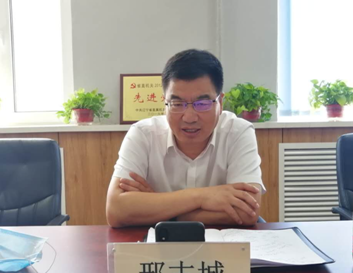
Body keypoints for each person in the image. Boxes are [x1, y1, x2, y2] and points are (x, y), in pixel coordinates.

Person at [106, 49, 266, 228]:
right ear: (164, 103)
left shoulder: (238, 132)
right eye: (177, 104)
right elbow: (116, 210)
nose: (189, 117)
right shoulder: (143, 134)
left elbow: (247, 212)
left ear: (220, 103)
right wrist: (203, 197)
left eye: (202, 104)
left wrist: (158, 206)